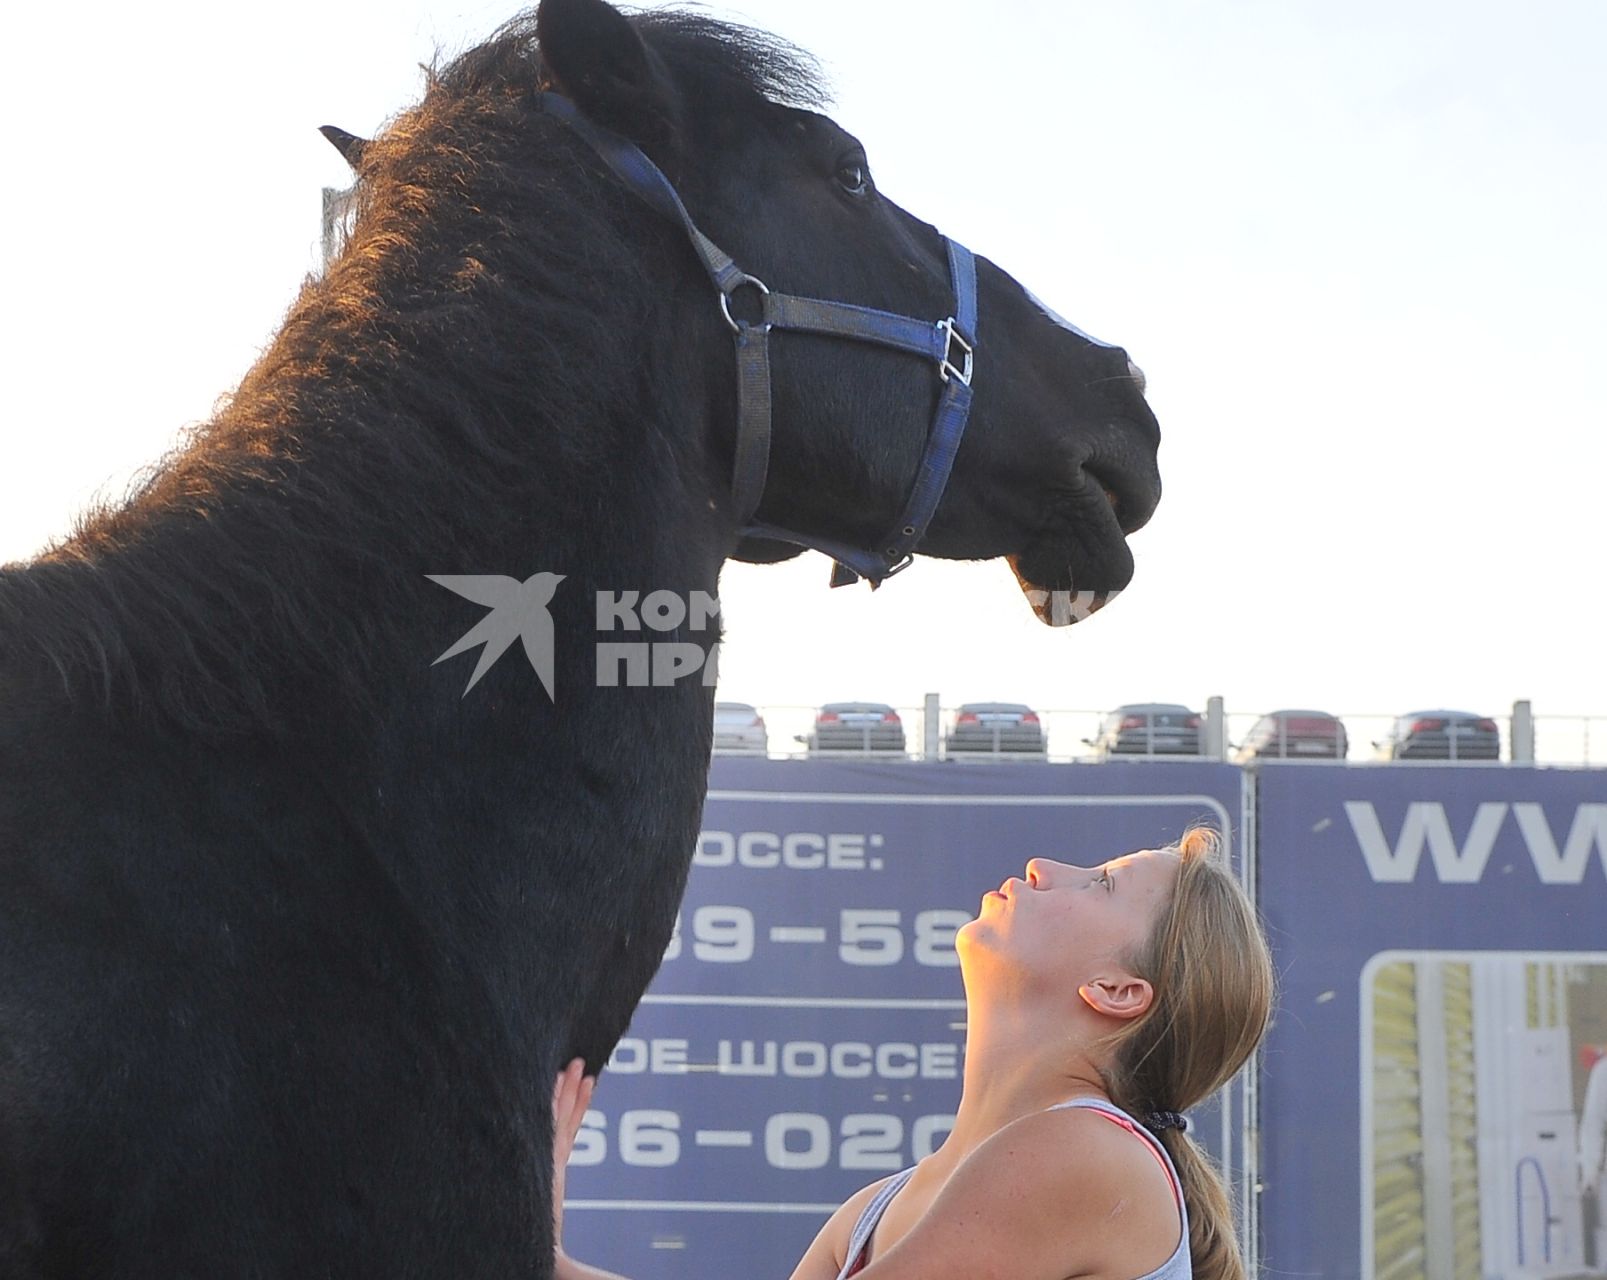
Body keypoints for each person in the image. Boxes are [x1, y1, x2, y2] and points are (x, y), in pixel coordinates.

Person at [551, 827, 1274, 1280]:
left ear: (1116, 989)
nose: (1044, 865)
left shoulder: (1088, 1152)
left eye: (1101, 883)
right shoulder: (877, 1207)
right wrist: (535, 1208)